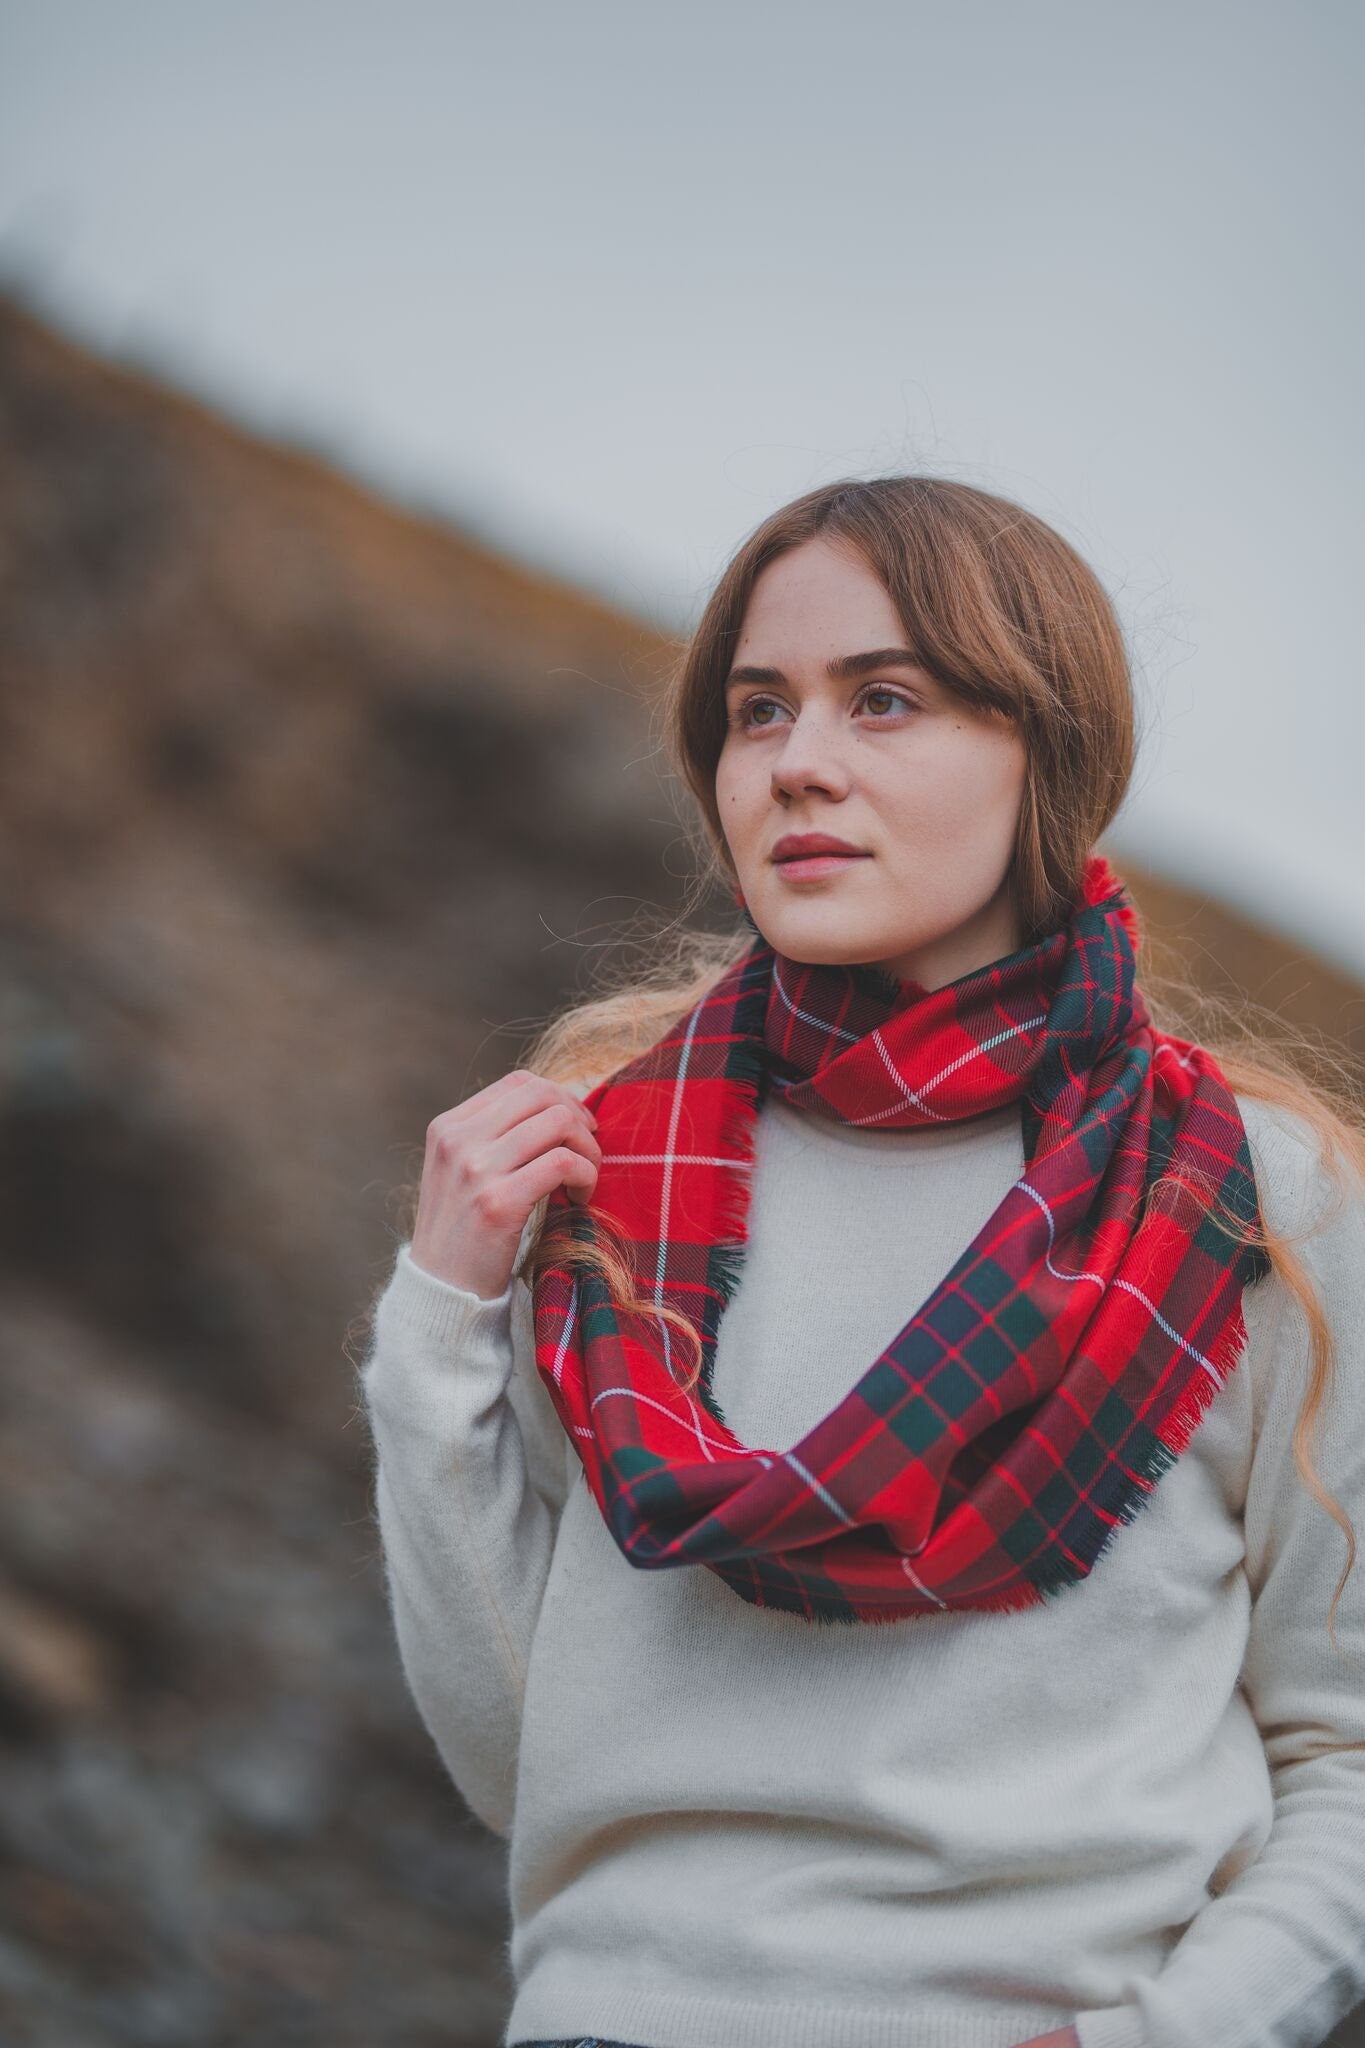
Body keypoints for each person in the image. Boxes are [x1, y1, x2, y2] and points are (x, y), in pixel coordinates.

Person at [356, 476, 1365, 2048]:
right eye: (756, 713)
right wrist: (440, 1323)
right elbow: (518, 1765)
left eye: (882, 701)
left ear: (1045, 750)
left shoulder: (1250, 1199)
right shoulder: (603, 1163)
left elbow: (1346, 1757)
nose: (797, 765)